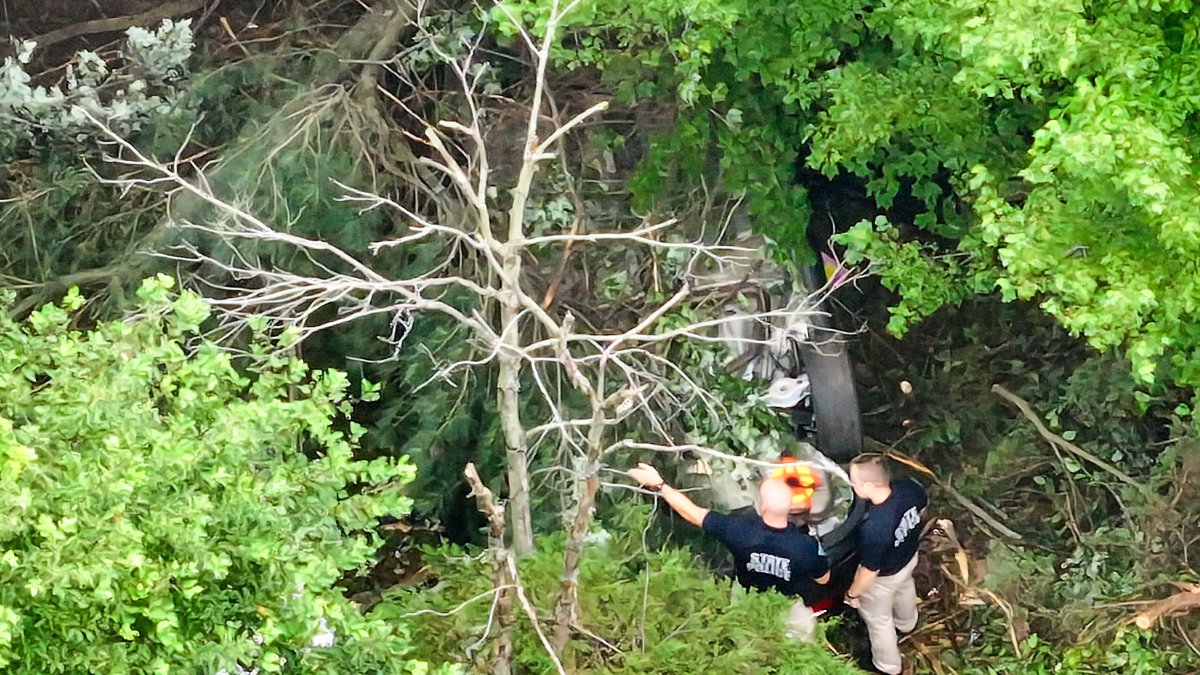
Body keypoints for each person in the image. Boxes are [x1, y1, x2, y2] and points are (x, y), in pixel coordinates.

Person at [626, 462, 831, 640]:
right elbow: (823, 579)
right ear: (791, 507)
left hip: (745, 602)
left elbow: (693, 513)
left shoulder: (738, 531)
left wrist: (659, 484)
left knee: (747, 647)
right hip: (785, 608)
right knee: (800, 641)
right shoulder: (806, 546)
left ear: (763, 506)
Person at [843, 455, 928, 675]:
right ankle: (908, 623)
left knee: (878, 620)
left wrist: (853, 594)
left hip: (885, 577)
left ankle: (887, 666)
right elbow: (922, 505)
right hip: (908, 559)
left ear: (869, 485)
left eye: (855, 482)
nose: (852, 485)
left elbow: (869, 572)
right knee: (905, 589)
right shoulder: (907, 489)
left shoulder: (876, 526)